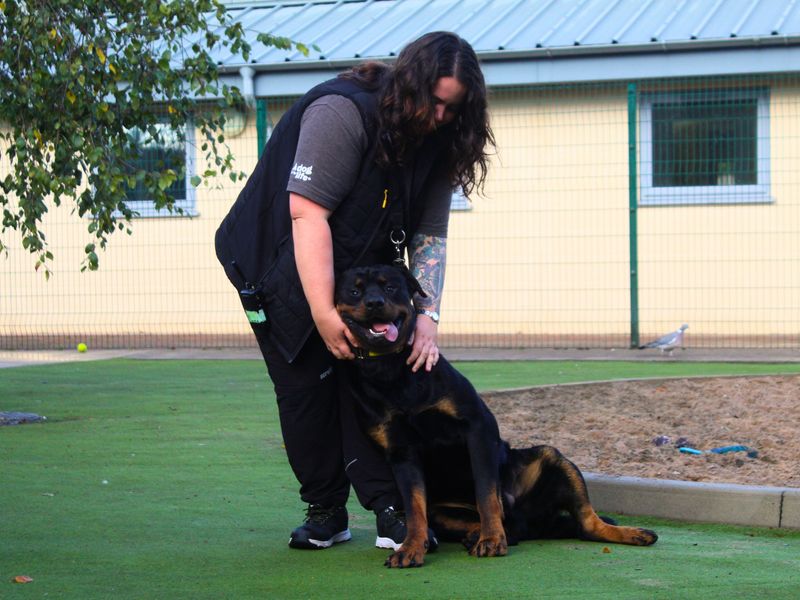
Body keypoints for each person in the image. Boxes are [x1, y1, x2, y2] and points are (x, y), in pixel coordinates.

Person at [215, 31, 494, 550]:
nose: (439, 116)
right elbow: (307, 213)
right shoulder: (342, 112)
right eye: (433, 102)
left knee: (371, 380)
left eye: (452, 109)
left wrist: (427, 316)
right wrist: (324, 315)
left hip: (352, 266)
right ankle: (325, 510)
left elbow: (430, 233)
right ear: (409, 85)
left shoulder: (441, 140)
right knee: (306, 385)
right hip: (274, 260)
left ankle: (391, 509)